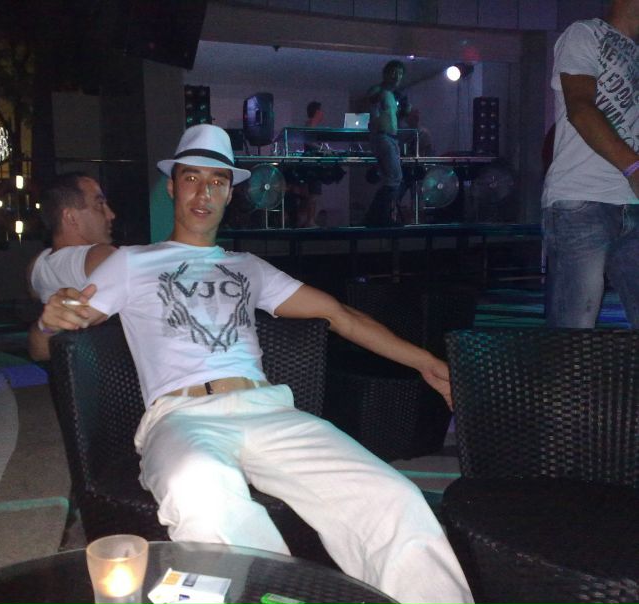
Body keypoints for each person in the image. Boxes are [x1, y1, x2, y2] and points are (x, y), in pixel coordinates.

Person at [34, 125, 473, 604]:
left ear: (230, 193)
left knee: (393, 497)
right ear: (173, 187)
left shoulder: (248, 267)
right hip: (182, 416)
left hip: (268, 410)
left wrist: (426, 362)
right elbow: (43, 345)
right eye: (192, 178)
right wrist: (50, 322)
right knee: (197, 488)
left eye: (217, 181)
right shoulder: (131, 263)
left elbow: (341, 315)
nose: (204, 193)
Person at [542, 0, 639, 328]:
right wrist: (633, 168)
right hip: (582, 199)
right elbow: (581, 108)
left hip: (632, 202)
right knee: (575, 330)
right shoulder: (584, 33)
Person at [25, 172, 117, 359]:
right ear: (71, 217)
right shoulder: (100, 255)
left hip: (68, 365)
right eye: (100, 205)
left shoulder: (36, 266)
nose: (111, 215)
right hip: (107, 364)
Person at [364, 60, 411, 227]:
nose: (397, 76)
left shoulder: (391, 95)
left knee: (392, 179)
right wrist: (386, 90)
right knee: (395, 178)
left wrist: (404, 109)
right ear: (385, 73)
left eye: (400, 73)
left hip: (390, 138)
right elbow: (372, 99)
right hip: (382, 137)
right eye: (394, 72)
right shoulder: (379, 90)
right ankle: (377, 218)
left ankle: (376, 218)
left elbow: (395, 117)